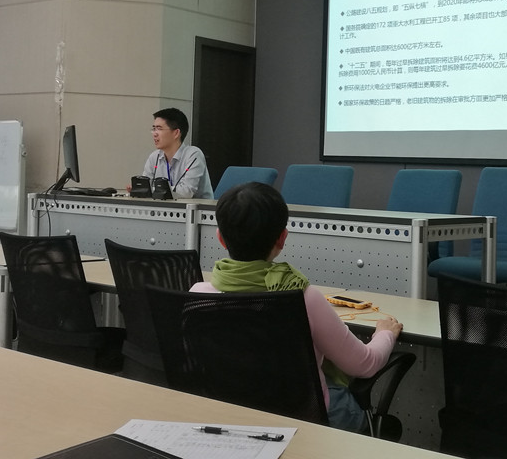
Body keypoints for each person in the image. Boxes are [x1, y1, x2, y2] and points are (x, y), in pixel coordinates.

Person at [190, 182, 403, 432]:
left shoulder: (197, 296)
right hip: (305, 425)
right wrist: (385, 334)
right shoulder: (301, 298)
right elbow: (364, 364)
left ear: (220, 238)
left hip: (228, 422)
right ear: (282, 238)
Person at [140, 108, 213, 199]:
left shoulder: (193, 155)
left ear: (176, 133)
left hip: (195, 207)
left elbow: (186, 192)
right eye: (154, 129)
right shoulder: (154, 157)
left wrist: (152, 190)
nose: (154, 134)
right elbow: (144, 187)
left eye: (159, 129)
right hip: (164, 207)